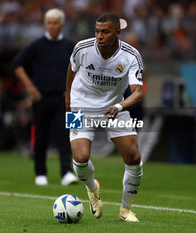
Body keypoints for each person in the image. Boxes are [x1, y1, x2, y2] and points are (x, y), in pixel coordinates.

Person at [66, 13, 144, 222]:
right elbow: (71, 70)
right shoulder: (82, 48)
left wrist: (119, 105)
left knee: (134, 157)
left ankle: (125, 210)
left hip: (114, 107)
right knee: (80, 158)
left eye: (105, 32)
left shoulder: (131, 55)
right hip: (80, 106)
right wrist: (68, 105)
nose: (99, 36)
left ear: (117, 33)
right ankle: (92, 189)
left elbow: (138, 92)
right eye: (97, 31)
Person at [12, 8, 78, 186]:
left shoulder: (70, 46)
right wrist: (30, 87)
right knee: (40, 136)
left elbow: (80, 68)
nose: (52, 26)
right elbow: (17, 64)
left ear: (62, 25)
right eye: (49, 22)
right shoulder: (37, 45)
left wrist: (73, 90)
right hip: (41, 98)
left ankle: (66, 172)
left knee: (67, 135)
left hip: (65, 99)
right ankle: (40, 172)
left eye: (55, 22)